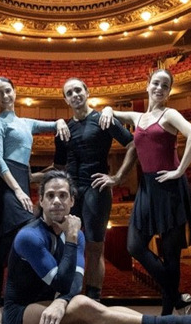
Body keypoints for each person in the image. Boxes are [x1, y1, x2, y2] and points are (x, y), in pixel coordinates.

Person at [2, 169, 191, 324]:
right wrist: (62, 298)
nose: (56, 201)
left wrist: (61, 301)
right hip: (20, 321)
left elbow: (76, 283)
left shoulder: (75, 233)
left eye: (62, 195)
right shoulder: (29, 237)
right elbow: (62, 283)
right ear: (40, 201)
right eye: (50, 196)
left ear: (72, 201)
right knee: (82, 304)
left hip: (54, 312)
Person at [99, 68, 191, 316]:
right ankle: (178, 298)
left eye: (164, 86)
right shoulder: (137, 118)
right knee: (134, 246)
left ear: (168, 92)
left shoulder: (170, 114)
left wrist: (179, 172)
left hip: (170, 186)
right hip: (147, 187)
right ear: (147, 85)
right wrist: (107, 109)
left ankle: (167, 315)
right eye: (156, 83)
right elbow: (112, 112)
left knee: (170, 254)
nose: (159, 88)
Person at [0, 76, 69, 324]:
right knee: (7, 246)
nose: (4, 96)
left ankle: (21, 307)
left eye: (7, 91)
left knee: (10, 248)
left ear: (15, 92)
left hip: (20, 181)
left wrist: (62, 121)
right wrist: (19, 189)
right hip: (4, 186)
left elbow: (54, 125)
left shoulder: (26, 123)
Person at [53, 77, 135, 300]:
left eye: (78, 90)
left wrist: (117, 177)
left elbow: (132, 144)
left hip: (95, 189)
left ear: (87, 92)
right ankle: (68, 297)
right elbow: (59, 166)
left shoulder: (103, 119)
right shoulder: (64, 128)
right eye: (69, 93)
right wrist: (28, 176)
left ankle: (92, 299)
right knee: (67, 245)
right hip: (70, 193)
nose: (75, 95)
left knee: (94, 247)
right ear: (66, 99)